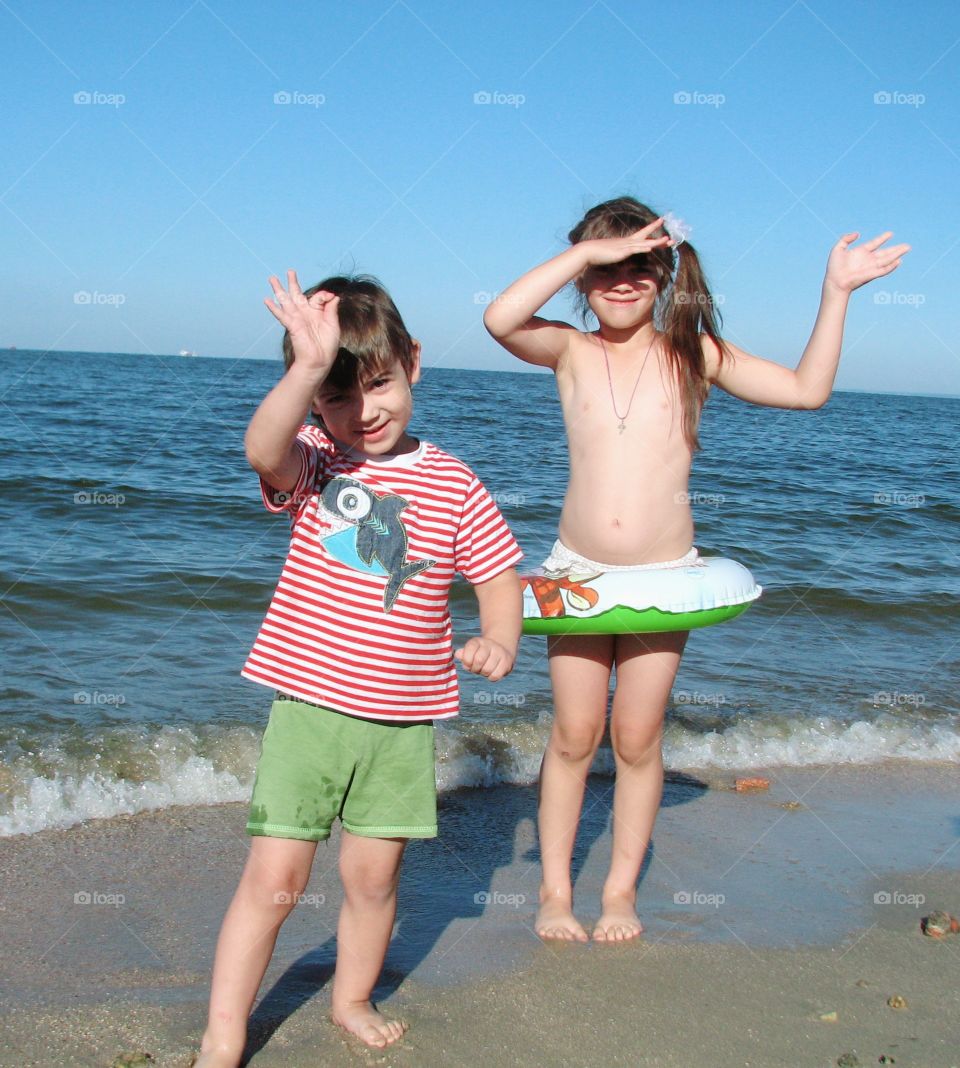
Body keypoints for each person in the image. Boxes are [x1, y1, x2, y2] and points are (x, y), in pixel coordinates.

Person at [483, 196, 908, 943]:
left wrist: (835, 293)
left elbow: (808, 392)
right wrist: (588, 252)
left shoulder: (693, 354)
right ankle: (554, 892)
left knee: (639, 738)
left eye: (639, 265)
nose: (621, 280)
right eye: (604, 267)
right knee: (576, 734)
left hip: (665, 578)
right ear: (582, 278)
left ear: (665, 272)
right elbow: (500, 318)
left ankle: (617, 893)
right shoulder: (569, 350)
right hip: (577, 572)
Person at [195, 272, 523, 1064]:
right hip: (309, 711)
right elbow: (258, 450)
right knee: (275, 879)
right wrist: (306, 370)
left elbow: (497, 570)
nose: (362, 411)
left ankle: (350, 996)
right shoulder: (314, 462)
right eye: (338, 397)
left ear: (412, 361)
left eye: (377, 384)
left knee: (374, 881)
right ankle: (224, 1032)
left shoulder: (453, 480)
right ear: (315, 405)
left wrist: (500, 640)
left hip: (404, 723)